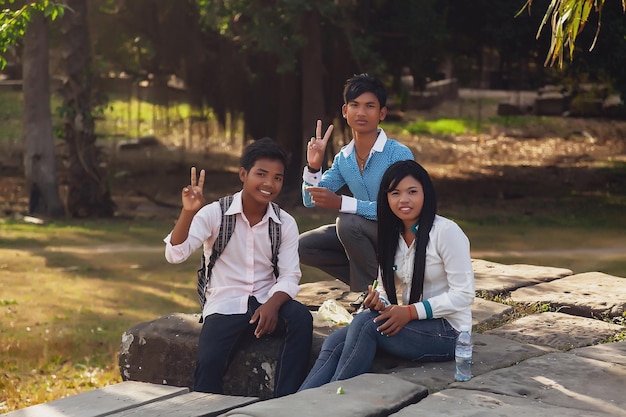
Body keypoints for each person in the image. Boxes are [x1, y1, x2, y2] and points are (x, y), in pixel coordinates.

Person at [299, 159, 474, 390]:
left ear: (426, 194)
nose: (404, 200)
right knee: (335, 340)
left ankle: (330, 402)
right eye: (395, 193)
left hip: (449, 332)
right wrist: (379, 301)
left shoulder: (446, 232)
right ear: (386, 198)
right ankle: (299, 403)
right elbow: (384, 287)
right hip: (413, 323)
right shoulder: (391, 235)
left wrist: (410, 312)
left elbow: (464, 294)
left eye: (412, 192)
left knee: (367, 326)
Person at [164, 137, 313, 397]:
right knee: (208, 365)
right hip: (225, 304)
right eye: (261, 174)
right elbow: (175, 254)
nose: (269, 184)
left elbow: (290, 276)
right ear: (243, 174)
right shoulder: (214, 213)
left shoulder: (284, 223)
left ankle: (286, 402)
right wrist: (188, 212)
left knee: (300, 318)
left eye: (277, 178)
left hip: (267, 300)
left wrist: (272, 305)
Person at [299, 73, 414, 296]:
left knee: (348, 222)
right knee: (303, 246)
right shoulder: (345, 158)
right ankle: (375, 286)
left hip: (398, 237)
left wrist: (342, 203)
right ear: (345, 111)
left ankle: (375, 297)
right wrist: (313, 167)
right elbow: (309, 200)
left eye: (369, 106)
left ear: (382, 113)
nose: (361, 112)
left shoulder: (397, 154)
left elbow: (401, 209)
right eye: (355, 105)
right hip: (364, 237)